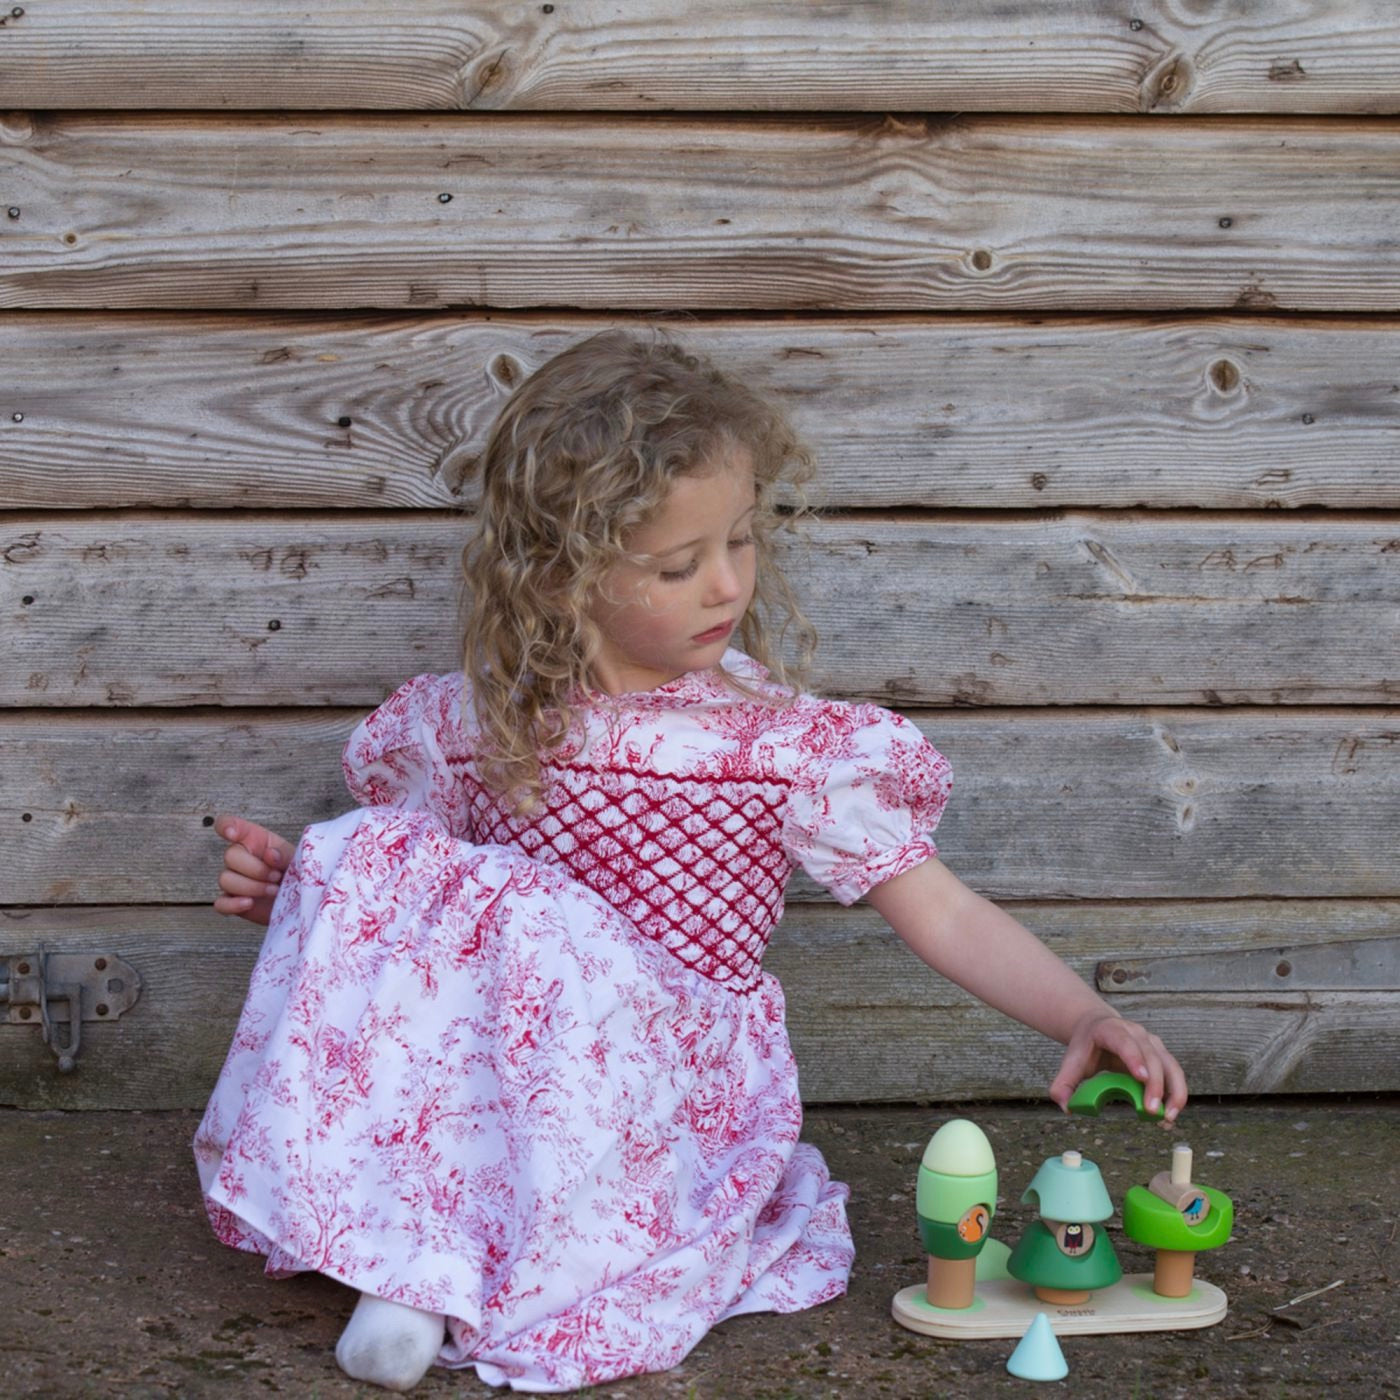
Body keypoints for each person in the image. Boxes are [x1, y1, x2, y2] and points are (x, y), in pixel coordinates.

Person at [196, 330, 1187, 1394]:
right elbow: (431, 923)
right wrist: (317, 890)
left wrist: (1078, 1012)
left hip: (665, 1092)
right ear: (560, 575)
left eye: (741, 542)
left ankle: (441, 1277)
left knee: (523, 912)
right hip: (504, 1094)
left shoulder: (776, 748)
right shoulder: (479, 723)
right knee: (403, 860)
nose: (724, 583)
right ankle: (419, 1269)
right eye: (677, 564)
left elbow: (938, 908)